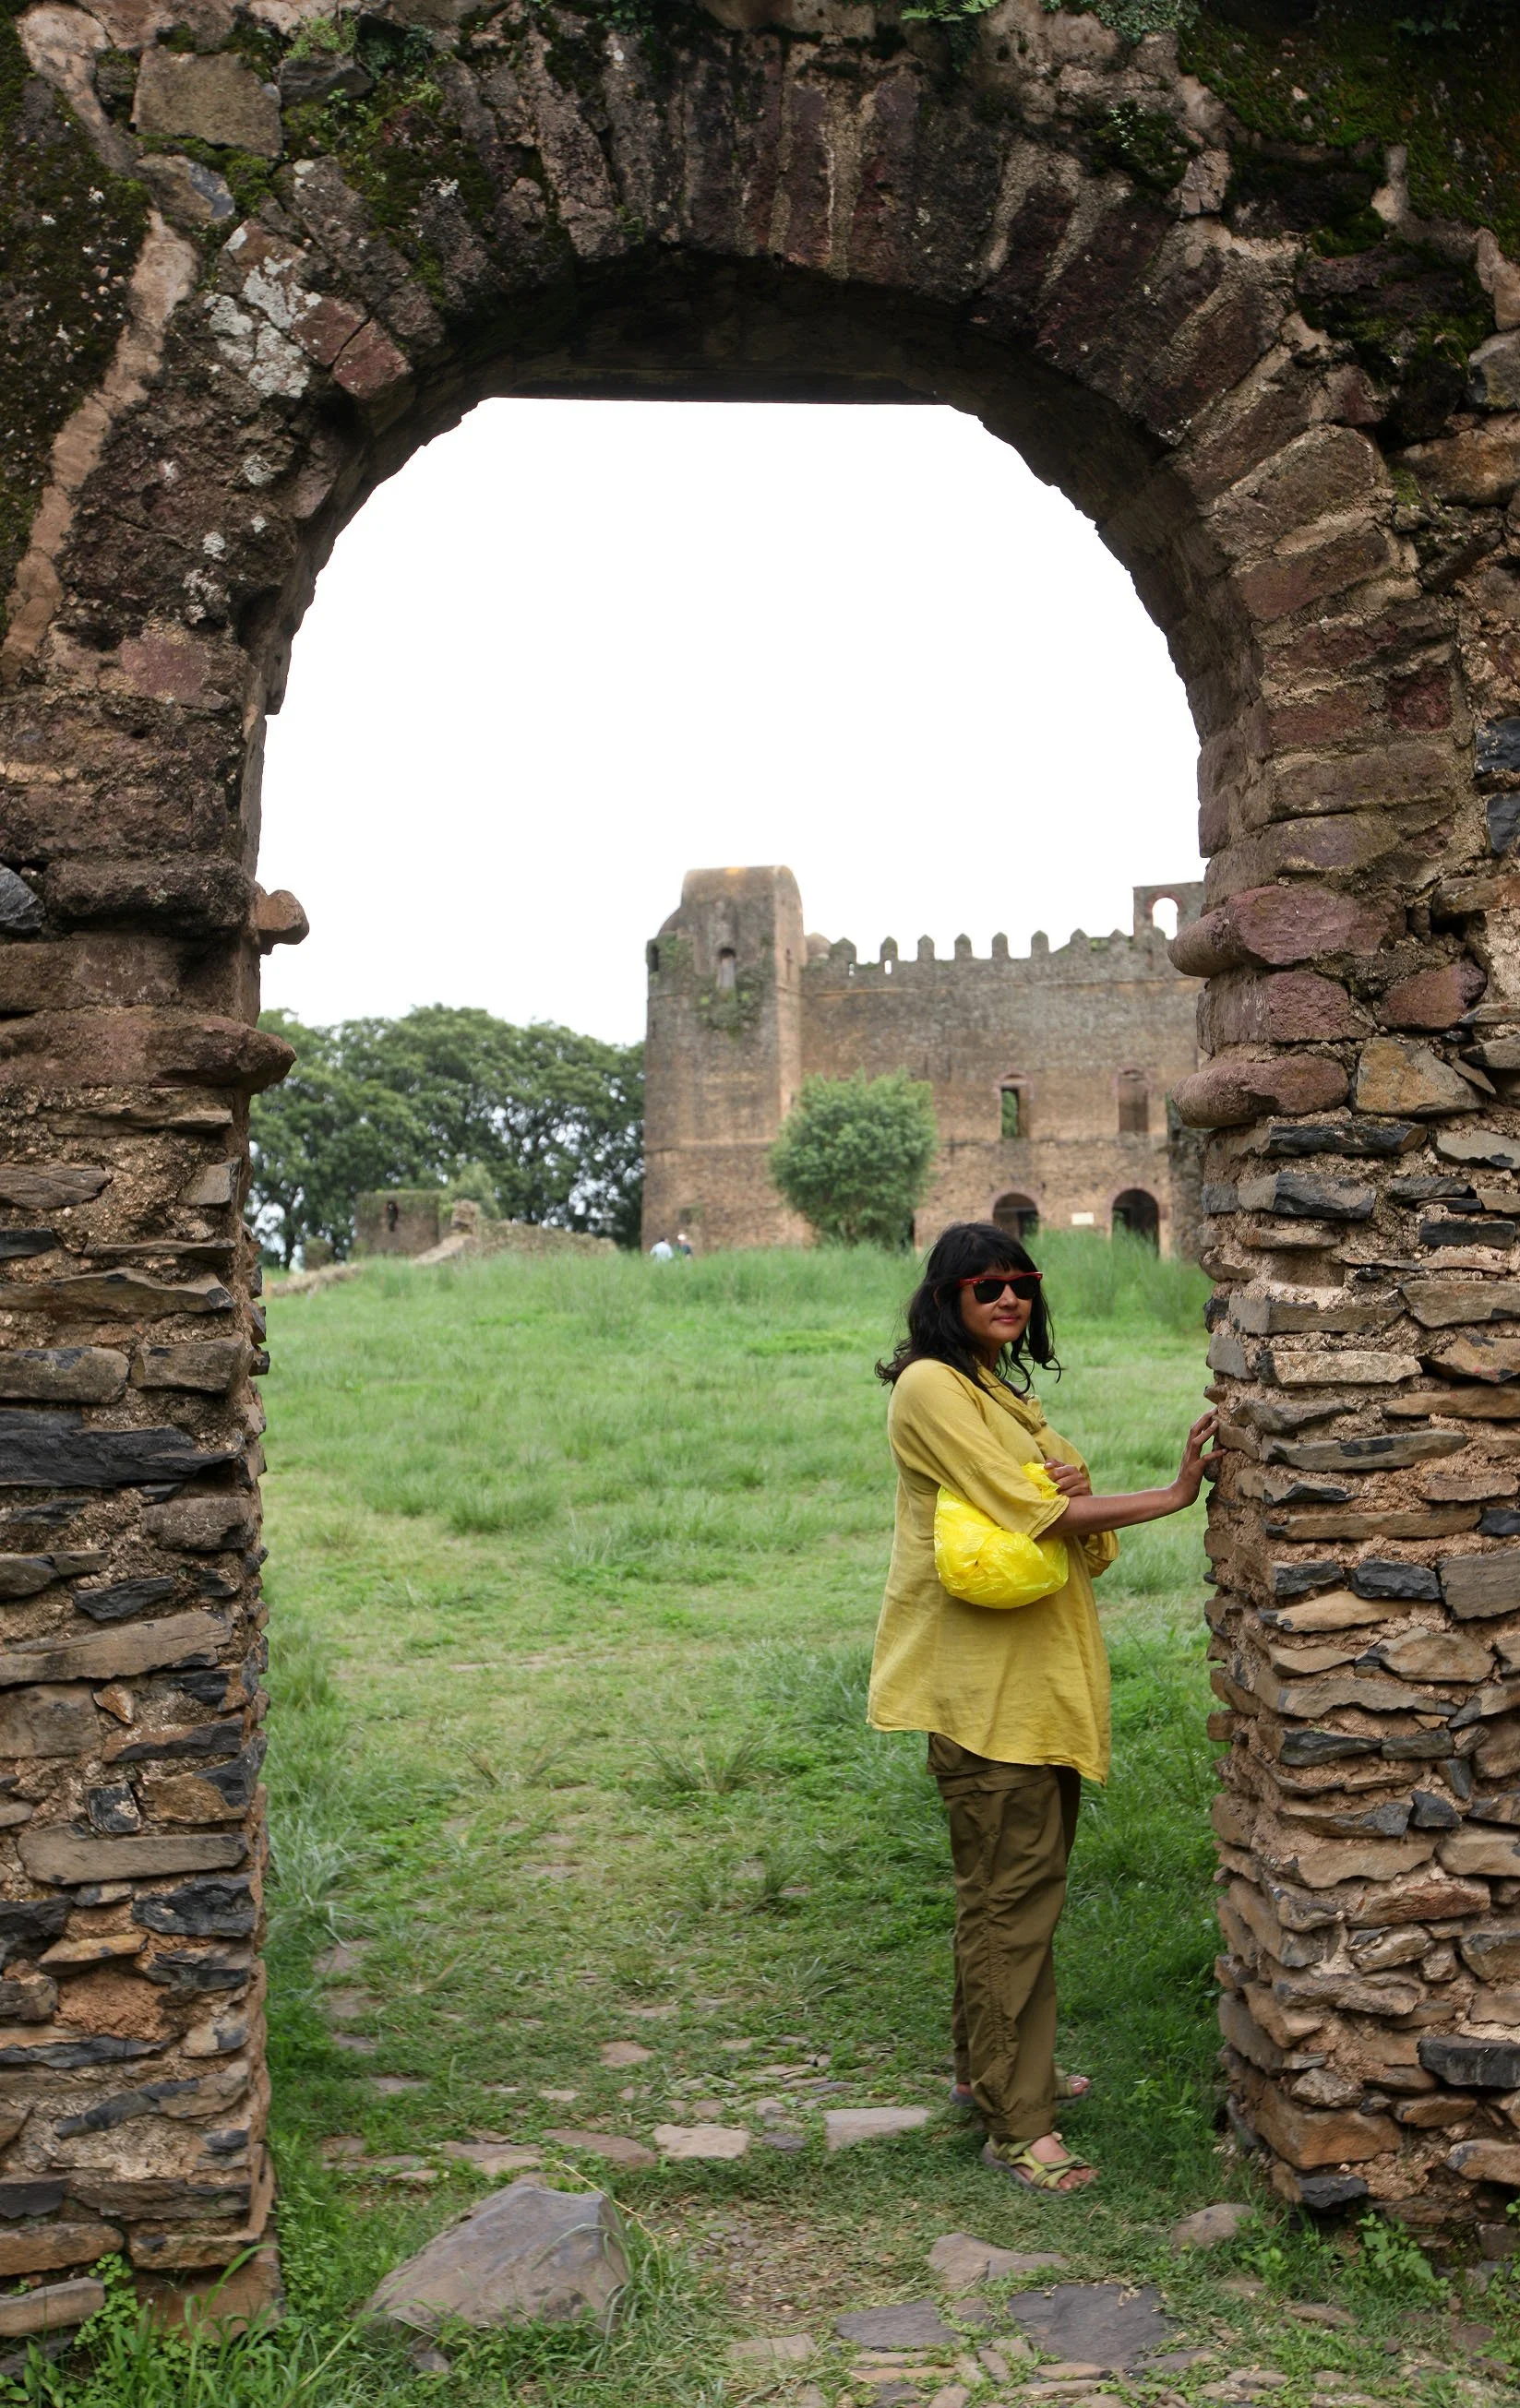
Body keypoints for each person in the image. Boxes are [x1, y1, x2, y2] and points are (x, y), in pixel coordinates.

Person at [870, 1220, 1216, 2194]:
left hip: (1031, 1686)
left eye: (1019, 1283)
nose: (1008, 1300)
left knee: (1008, 1898)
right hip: (987, 1694)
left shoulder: (996, 1391)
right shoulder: (932, 1387)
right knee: (1011, 1906)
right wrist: (1175, 1492)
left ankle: (989, 2072)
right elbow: (1046, 1514)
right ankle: (1017, 2125)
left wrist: (1071, 1486)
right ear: (948, 1299)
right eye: (986, 1288)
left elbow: (1067, 1500)